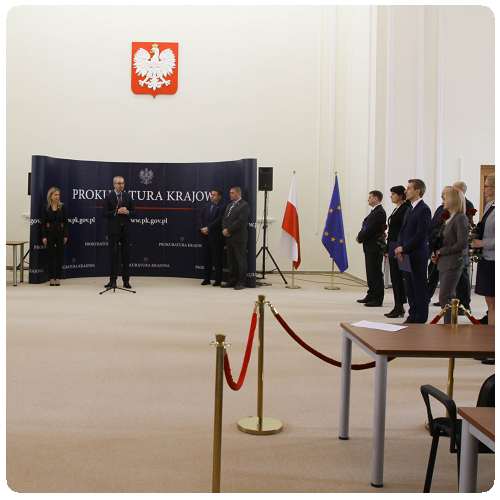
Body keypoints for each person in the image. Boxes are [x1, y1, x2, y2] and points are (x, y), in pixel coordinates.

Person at [395, 179, 432, 324]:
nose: (405, 191)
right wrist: (399, 248)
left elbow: (421, 235)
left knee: (419, 287)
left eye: (408, 188)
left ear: (417, 191)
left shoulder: (424, 209)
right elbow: (402, 231)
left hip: (417, 255)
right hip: (406, 255)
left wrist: (403, 248)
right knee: (410, 288)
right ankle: (413, 315)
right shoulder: (410, 208)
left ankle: (420, 317)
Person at [430, 188, 469, 324]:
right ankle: (449, 325)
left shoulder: (460, 218)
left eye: (445, 199)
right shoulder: (452, 218)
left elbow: (462, 243)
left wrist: (442, 251)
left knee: (445, 297)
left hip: (453, 263)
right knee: (446, 297)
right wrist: (437, 253)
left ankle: (449, 326)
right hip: (445, 262)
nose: (443, 202)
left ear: (453, 200)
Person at [102, 176, 136, 289]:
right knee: (113, 256)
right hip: (114, 231)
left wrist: (127, 212)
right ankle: (112, 280)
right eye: (119, 183)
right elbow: (104, 213)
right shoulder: (109, 197)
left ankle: (126, 280)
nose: (121, 185)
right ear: (114, 185)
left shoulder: (127, 196)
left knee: (126, 256)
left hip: (125, 230)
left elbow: (134, 212)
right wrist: (116, 211)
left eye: (122, 183)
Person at [356, 190, 386, 307]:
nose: (368, 199)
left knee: (375, 272)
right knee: (370, 272)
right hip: (369, 246)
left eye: (370, 197)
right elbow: (366, 226)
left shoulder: (379, 212)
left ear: (376, 198)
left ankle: (377, 298)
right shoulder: (374, 212)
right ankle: (371, 294)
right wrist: (360, 236)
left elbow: (372, 229)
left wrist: (361, 237)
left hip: (375, 246)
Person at [472, 173, 495, 325]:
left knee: (495, 302)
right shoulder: (489, 205)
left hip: (494, 260)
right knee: (490, 301)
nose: (483, 188)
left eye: (486, 185)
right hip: (486, 258)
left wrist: (482, 243)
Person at [385, 186, 410, 318]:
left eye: (393, 194)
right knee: (394, 277)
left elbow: (403, 230)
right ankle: (398, 305)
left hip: (398, 245)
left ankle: (400, 305)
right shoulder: (397, 209)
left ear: (400, 195)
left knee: (398, 277)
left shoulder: (405, 209)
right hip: (392, 244)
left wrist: (399, 246)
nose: (391, 196)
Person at [221, 186, 251, 290]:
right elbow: (224, 219)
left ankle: (241, 283)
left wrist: (229, 230)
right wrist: (224, 230)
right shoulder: (229, 205)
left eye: (232, 193)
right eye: (230, 193)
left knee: (241, 261)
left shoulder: (244, 205)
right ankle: (231, 281)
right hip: (229, 238)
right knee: (231, 261)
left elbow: (241, 221)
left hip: (239, 238)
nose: (230, 194)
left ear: (239, 194)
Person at [427, 186, 453, 304]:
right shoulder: (440, 208)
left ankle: (431, 297)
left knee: (438, 274)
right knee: (432, 272)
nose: (442, 196)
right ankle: (428, 296)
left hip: (443, 246)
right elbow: (433, 224)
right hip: (434, 244)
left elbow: (441, 228)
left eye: (444, 194)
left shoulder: (451, 211)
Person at [452, 181, 475, 314]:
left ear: (461, 191)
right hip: (452, 244)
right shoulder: (453, 206)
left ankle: (465, 303)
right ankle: (455, 299)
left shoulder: (467, 205)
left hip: (460, 245)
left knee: (462, 275)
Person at [198, 188, 225, 286]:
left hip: (216, 237)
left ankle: (218, 279)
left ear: (219, 197)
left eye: (214, 195)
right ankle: (207, 278)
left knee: (217, 259)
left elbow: (219, 220)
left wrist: (208, 228)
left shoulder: (222, 207)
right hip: (205, 237)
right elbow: (200, 218)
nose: (211, 196)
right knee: (206, 259)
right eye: (211, 194)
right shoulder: (206, 206)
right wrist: (202, 228)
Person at [41, 187, 68, 286]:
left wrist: (65, 235)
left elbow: (65, 222)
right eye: (55, 195)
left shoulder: (62, 207)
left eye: (58, 195)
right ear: (50, 196)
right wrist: (44, 236)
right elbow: (43, 223)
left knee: (60, 255)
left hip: (60, 233)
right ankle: (51, 277)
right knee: (50, 255)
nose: (57, 197)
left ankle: (58, 277)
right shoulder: (46, 207)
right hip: (50, 233)